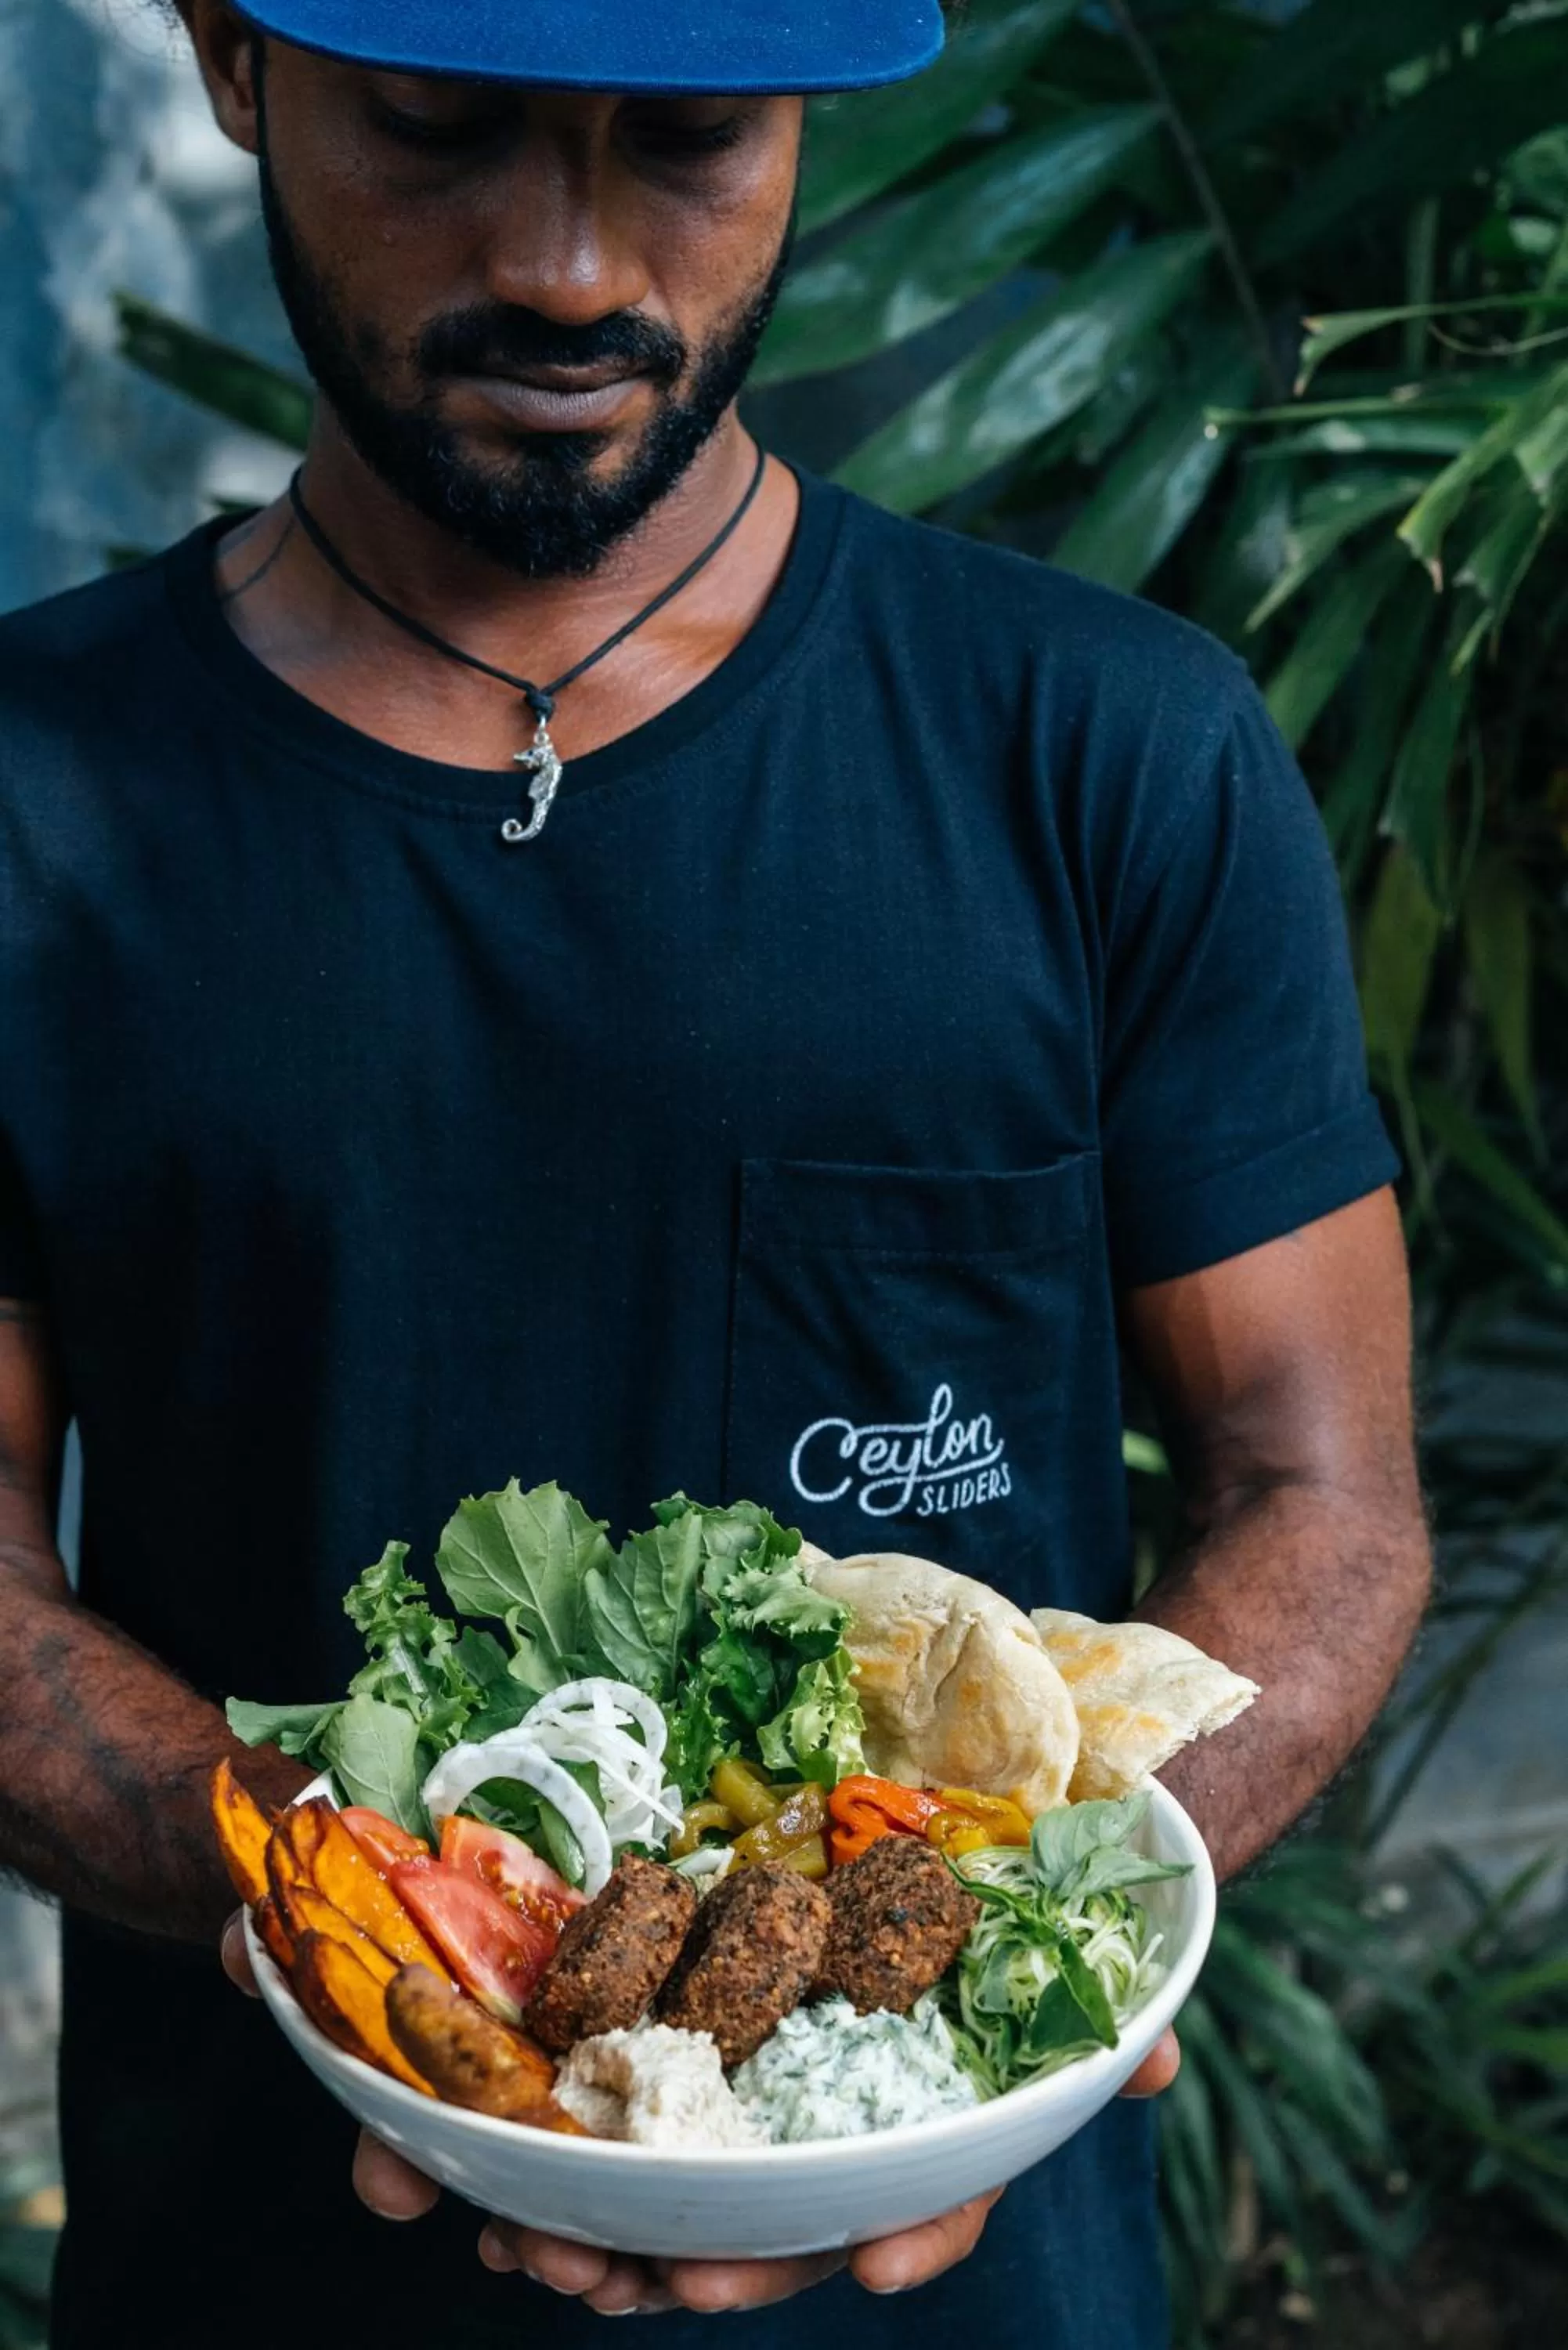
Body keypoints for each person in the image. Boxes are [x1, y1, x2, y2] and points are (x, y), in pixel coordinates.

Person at [0, 2, 1429, 2344]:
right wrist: (390, 1934)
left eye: (690, 141)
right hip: (265, 2274)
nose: (569, 264)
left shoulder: (1106, 755)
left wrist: (1054, 1926)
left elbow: (1322, 1483)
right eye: (439, 128)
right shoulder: (30, 804)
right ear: (232, 54)